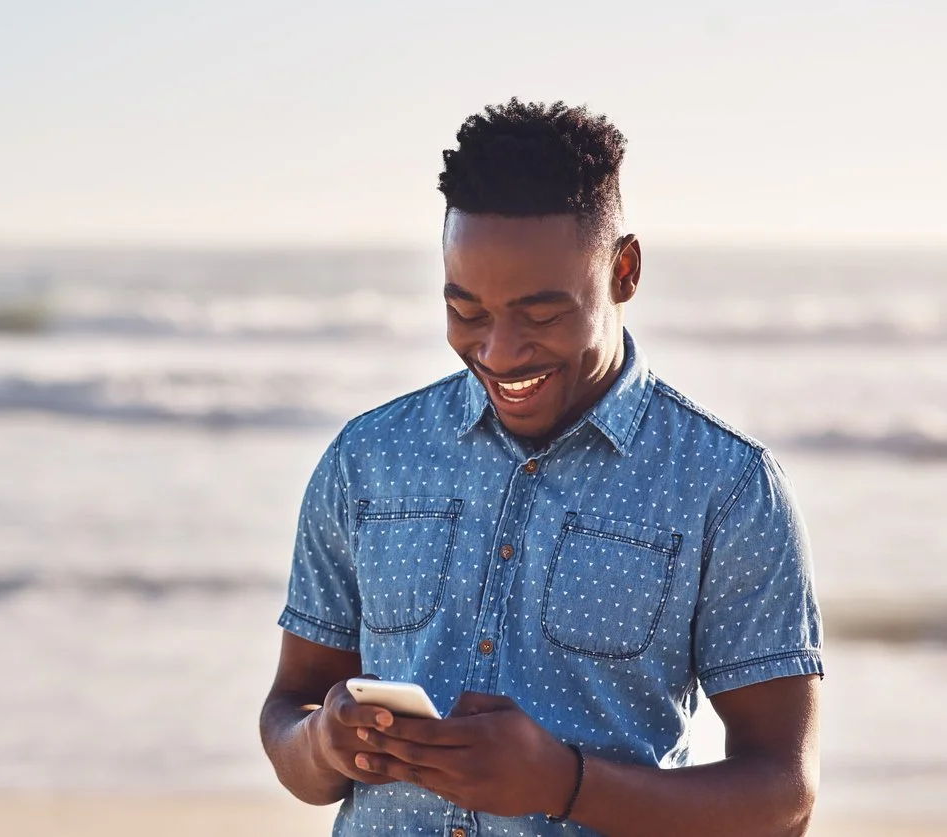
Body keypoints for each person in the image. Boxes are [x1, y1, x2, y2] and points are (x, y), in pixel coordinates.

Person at [259, 99, 823, 837]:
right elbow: (288, 714)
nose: (499, 351)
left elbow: (783, 797)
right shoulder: (367, 460)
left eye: (541, 314)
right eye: (466, 311)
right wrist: (323, 742)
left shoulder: (725, 487)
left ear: (623, 270)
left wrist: (567, 783)